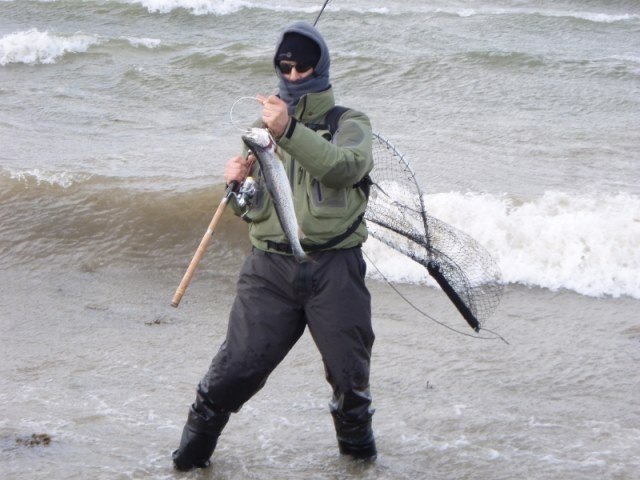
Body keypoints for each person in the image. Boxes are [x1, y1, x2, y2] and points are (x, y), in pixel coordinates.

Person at [172, 20, 376, 471]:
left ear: (320, 67)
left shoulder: (351, 123)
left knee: (351, 385)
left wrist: (288, 131)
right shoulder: (259, 130)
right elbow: (256, 209)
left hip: (335, 270)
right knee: (231, 376)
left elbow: (344, 169)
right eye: (286, 66)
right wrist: (237, 187)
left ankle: (361, 468)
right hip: (269, 274)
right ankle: (184, 465)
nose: (295, 74)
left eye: (304, 67)